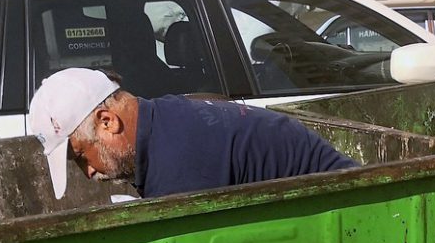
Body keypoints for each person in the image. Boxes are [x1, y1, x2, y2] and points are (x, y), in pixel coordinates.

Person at [29, 68, 358, 200]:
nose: (87, 172)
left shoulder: (180, 164)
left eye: (81, 156)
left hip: (349, 209)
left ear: (107, 123)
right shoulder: (163, 123)